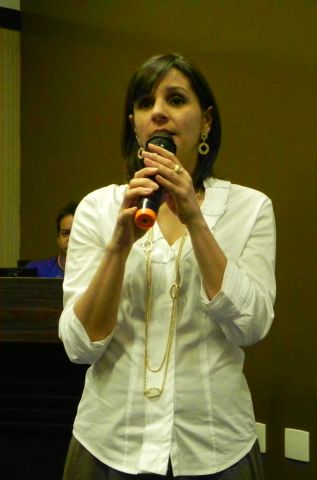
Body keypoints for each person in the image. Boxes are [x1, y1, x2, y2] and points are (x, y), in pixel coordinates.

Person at [59, 53, 276, 479]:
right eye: (145, 103)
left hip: (214, 448)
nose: (158, 112)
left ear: (206, 121)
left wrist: (195, 218)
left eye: (175, 99)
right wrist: (118, 247)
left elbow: (251, 327)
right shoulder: (99, 209)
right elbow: (79, 347)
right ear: (135, 125)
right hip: (111, 445)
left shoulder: (250, 208)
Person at [25, 201, 77, 277]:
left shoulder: (95, 271)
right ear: (58, 239)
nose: (70, 239)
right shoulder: (36, 270)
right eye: (65, 233)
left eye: (76, 233)